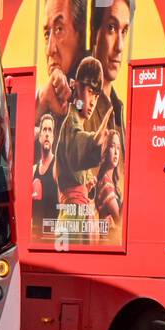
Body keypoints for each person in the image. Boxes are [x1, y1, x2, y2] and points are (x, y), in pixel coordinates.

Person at [54, 57, 113, 240]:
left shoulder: (76, 125)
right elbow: (78, 145)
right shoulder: (70, 124)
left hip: (78, 217)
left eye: (96, 95)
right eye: (89, 91)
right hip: (73, 217)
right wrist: (96, 140)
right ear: (75, 87)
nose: (93, 101)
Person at [37, 0, 88, 121]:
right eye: (47, 34)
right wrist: (42, 101)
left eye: (59, 29)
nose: (50, 50)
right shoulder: (44, 96)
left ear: (81, 33)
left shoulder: (92, 85)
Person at [89, 0, 132, 137]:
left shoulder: (117, 108)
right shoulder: (79, 102)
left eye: (124, 31)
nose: (120, 46)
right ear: (94, 32)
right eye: (112, 28)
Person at [31, 112, 59, 228]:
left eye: (50, 130)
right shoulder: (33, 170)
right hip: (35, 234)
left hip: (51, 237)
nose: (47, 134)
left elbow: (63, 204)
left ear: (53, 137)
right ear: (40, 137)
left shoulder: (58, 166)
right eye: (44, 130)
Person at [94, 128, 123, 234]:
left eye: (118, 148)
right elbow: (120, 221)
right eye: (112, 146)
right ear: (106, 149)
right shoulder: (106, 184)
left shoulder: (109, 181)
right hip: (108, 243)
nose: (116, 152)